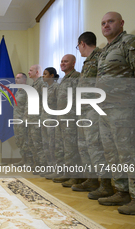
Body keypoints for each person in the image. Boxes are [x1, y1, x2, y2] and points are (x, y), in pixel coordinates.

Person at [95, 12, 135, 215]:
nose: (106, 25)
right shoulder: (104, 50)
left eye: (110, 21)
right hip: (105, 110)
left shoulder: (129, 42)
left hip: (123, 109)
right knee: (112, 153)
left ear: (121, 23)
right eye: (103, 23)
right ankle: (122, 191)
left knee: (128, 154)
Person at [71, 32, 114, 199]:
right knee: (86, 147)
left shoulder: (100, 56)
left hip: (95, 110)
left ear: (82, 44)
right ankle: (91, 179)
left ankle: (105, 185)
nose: (79, 50)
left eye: (78, 47)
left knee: (96, 147)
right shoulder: (88, 61)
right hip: (85, 110)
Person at [53, 54, 83, 186]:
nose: (63, 63)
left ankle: (75, 176)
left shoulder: (77, 77)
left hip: (71, 119)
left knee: (72, 148)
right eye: (61, 61)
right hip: (61, 118)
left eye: (66, 61)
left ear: (73, 63)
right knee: (63, 147)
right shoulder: (64, 79)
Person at [24, 65, 48, 172]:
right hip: (31, 119)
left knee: (39, 144)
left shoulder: (42, 84)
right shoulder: (33, 85)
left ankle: (43, 166)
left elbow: (46, 102)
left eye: (30, 70)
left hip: (37, 119)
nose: (28, 72)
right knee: (32, 143)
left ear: (37, 72)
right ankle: (37, 164)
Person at [41, 67, 59, 175]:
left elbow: (60, 104)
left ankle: (56, 169)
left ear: (52, 75)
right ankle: (49, 167)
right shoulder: (45, 88)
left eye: (45, 74)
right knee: (46, 144)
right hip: (44, 119)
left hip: (52, 120)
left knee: (53, 145)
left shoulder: (57, 87)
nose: (43, 76)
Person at [13, 72, 34, 166]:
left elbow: (29, 106)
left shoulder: (27, 91)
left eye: (18, 78)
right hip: (17, 120)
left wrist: (25, 119)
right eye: (16, 78)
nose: (16, 80)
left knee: (26, 141)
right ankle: (23, 159)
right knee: (19, 140)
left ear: (24, 80)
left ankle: (29, 161)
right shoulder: (18, 91)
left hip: (23, 120)